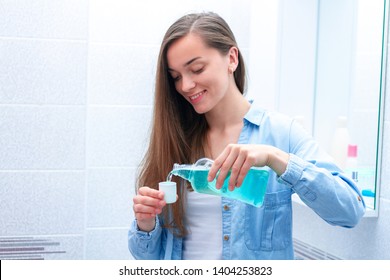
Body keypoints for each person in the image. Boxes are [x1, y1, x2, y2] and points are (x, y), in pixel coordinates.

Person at [128, 12, 365, 260]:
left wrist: (276, 158)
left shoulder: (280, 134)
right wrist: (146, 224)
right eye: (176, 77)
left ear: (231, 58)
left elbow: (350, 210)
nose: (185, 85)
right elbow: (146, 258)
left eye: (196, 69)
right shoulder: (175, 141)